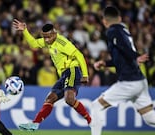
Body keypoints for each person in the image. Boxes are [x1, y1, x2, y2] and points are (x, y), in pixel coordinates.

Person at [13, 19, 91, 131]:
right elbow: (34, 44)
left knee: (69, 99)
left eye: (48, 37)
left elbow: (79, 55)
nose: (46, 40)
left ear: (54, 34)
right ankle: (35, 124)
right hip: (63, 75)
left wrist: (85, 74)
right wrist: (25, 30)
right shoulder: (48, 41)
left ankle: (90, 120)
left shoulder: (62, 43)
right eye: (44, 37)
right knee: (50, 99)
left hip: (72, 70)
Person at [90, 6, 155, 135]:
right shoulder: (124, 30)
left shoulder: (112, 31)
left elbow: (123, 47)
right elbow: (122, 56)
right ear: (119, 18)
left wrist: (136, 56)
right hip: (139, 80)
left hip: (129, 82)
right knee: (148, 117)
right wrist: (106, 63)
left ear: (104, 21)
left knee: (96, 106)